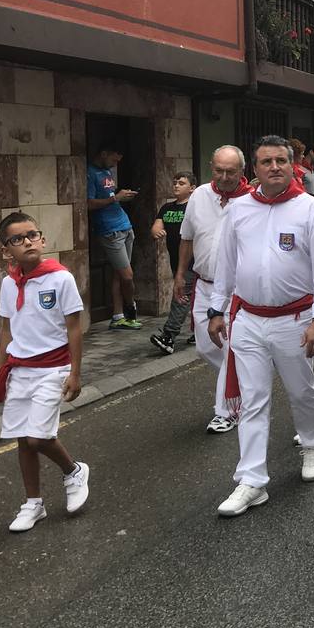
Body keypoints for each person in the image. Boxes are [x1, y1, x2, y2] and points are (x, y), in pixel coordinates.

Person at [206, 136, 314, 517]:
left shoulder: (311, 210)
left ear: (292, 165)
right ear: (255, 169)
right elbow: (226, 264)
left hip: (295, 321)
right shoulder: (239, 209)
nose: (274, 167)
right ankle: (252, 481)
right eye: (266, 161)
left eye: (281, 160)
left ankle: (313, 443)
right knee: (253, 400)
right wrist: (217, 309)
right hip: (247, 320)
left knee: (302, 391)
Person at [0, 212, 89, 533]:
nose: (27, 241)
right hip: (20, 371)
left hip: (53, 369)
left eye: (32, 235)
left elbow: (74, 329)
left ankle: (73, 471)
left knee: (38, 436)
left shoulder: (60, 278)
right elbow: (6, 329)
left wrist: (76, 373)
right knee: (22, 440)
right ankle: (33, 503)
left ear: (42, 240)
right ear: (5, 250)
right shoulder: (7, 283)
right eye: (17, 239)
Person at [178, 146, 253, 434]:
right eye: (218, 170)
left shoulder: (251, 200)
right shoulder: (198, 196)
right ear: (211, 167)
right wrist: (179, 276)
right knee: (206, 348)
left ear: (242, 171)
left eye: (230, 171)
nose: (223, 176)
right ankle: (242, 378)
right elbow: (187, 238)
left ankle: (227, 411)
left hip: (237, 292)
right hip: (204, 285)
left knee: (231, 350)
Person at [86, 145, 141, 330]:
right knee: (127, 275)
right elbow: (89, 203)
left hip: (125, 225)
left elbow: (111, 194)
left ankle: (118, 316)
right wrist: (115, 198)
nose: (115, 164)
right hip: (110, 230)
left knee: (119, 273)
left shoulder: (107, 171)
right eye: (114, 160)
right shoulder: (90, 173)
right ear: (103, 153)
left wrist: (121, 196)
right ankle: (131, 308)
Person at [149, 171, 197, 356]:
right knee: (194, 297)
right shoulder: (166, 208)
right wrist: (156, 231)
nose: (176, 185)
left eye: (182, 183)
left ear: (192, 188)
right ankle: (199, 331)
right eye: (175, 182)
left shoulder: (194, 208)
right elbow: (156, 226)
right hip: (176, 261)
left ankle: (168, 337)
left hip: (193, 261)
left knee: (181, 295)